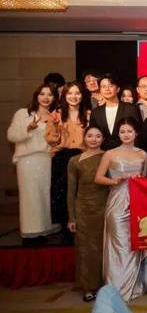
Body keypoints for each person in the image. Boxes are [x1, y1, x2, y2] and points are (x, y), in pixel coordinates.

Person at [95, 117, 147, 302]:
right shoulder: (110, 154)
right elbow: (98, 177)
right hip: (117, 201)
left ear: (136, 133)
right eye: (122, 132)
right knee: (119, 244)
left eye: (129, 131)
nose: (126, 135)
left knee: (134, 242)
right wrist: (114, 181)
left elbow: (144, 179)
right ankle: (117, 287)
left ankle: (134, 285)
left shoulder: (142, 154)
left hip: (137, 202)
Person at [7, 84, 60, 243]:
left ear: (54, 98)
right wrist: (28, 129)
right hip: (27, 160)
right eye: (42, 94)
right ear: (36, 95)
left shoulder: (55, 116)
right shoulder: (23, 113)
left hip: (48, 160)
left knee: (46, 195)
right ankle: (31, 231)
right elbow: (11, 135)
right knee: (30, 196)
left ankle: (46, 229)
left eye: (49, 94)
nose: (45, 97)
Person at [67, 125, 109, 302]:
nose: (94, 139)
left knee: (104, 248)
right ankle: (88, 287)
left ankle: (105, 284)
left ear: (103, 139)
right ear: (84, 138)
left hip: (105, 208)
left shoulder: (108, 157)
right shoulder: (75, 161)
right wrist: (72, 217)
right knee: (85, 250)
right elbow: (71, 191)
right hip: (83, 210)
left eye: (98, 136)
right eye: (90, 136)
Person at [46, 81, 88, 238]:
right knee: (62, 194)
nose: (73, 96)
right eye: (70, 93)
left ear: (82, 95)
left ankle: (82, 227)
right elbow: (50, 139)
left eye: (77, 93)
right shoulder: (57, 114)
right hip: (62, 157)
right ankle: (65, 229)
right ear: (64, 96)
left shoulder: (88, 114)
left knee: (80, 193)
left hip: (82, 157)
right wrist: (57, 128)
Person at [89, 74, 142, 150]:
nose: (107, 89)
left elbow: (138, 133)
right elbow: (93, 135)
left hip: (127, 152)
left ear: (118, 89)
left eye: (111, 86)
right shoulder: (96, 112)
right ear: (100, 90)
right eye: (103, 86)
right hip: (103, 153)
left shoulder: (130, 108)